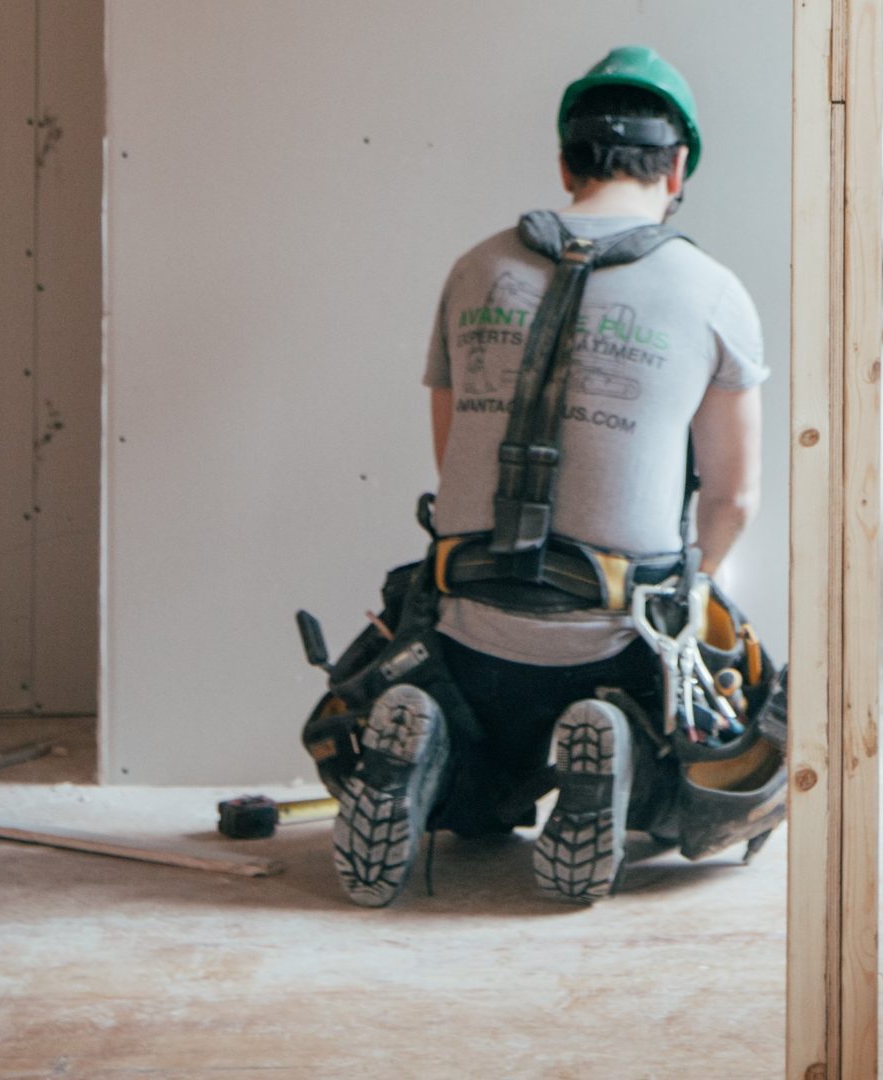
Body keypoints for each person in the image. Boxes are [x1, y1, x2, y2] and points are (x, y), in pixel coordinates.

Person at [321, 46, 776, 908]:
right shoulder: (712, 290)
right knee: (741, 745)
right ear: (678, 168)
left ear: (566, 163)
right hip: (612, 638)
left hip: (465, 637)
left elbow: (453, 458)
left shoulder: (475, 269)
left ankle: (440, 757)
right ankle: (620, 750)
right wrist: (693, 598)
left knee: (479, 791)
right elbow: (733, 498)